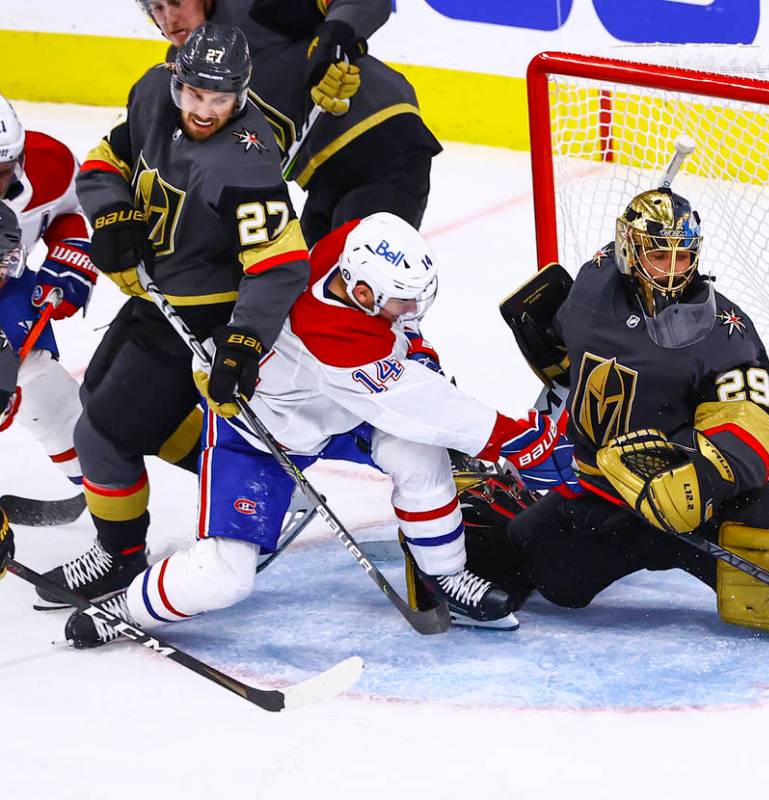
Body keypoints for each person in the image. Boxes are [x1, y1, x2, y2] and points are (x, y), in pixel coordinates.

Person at [63, 212, 578, 646]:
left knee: (419, 456)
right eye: (403, 302)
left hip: (340, 410)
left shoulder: (350, 242)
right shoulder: (339, 342)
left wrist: (412, 342)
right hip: (261, 432)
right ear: (358, 291)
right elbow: (434, 408)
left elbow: (403, 347)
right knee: (226, 574)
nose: (412, 311)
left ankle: (442, 574)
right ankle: (125, 611)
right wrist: (521, 440)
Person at [35, 23, 310, 608]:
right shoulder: (153, 93)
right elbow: (106, 159)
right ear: (177, 79)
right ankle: (272, 486)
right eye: (193, 93)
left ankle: (119, 557)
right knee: (115, 413)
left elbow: (280, 264)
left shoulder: (248, 166)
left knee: (101, 435)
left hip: (205, 317)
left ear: (242, 95)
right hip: (154, 303)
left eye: (220, 99)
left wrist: (244, 340)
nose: (203, 110)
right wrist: (109, 216)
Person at [468, 187, 769, 611]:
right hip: (599, 498)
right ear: (629, 250)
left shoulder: (725, 331)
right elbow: (563, 347)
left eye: (682, 256)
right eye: (659, 255)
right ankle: (507, 505)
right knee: (542, 577)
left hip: (699, 508)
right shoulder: (594, 285)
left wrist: (703, 476)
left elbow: (748, 421)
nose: (672, 271)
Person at [137, 0, 442, 245]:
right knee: (304, 303)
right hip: (324, 179)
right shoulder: (183, 70)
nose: (169, 19)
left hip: (384, 145)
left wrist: (334, 40)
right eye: (157, 9)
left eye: (176, 3)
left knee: (354, 298)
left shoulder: (257, 7)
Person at [0, 95, 96, 490]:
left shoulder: (51, 165)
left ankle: (109, 503)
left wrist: (70, 253)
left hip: (8, 286)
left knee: (51, 400)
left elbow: (68, 210)